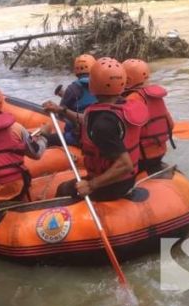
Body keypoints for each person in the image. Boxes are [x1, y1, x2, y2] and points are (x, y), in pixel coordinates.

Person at [48, 57, 148, 201]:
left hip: (112, 186)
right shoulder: (123, 107)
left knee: (63, 188)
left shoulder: (102, 124)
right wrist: (60, 110)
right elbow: (87, 120)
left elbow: (125, 165)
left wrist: (91, 185)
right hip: (128, 179)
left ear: (92, 85)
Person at [122, 59, 175, 173]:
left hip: (141, 159)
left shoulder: (130, 100)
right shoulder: (158, 98)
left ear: (127, 81)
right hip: (160, 153)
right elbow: (171, 125)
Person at [43, 54, 97, 146]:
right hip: (96, 132)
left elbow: (61, 113)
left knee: (47, 139)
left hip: (77, 136)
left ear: (76, 70)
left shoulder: (73, 88)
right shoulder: (100, 86)